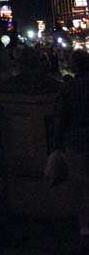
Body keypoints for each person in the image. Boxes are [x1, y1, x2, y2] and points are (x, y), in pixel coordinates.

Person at [53, 49, 89, 251]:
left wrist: (56, 144)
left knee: (81, 187)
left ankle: (85, 229)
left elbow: (61, 119)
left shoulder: (68, 89)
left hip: (76, 141)